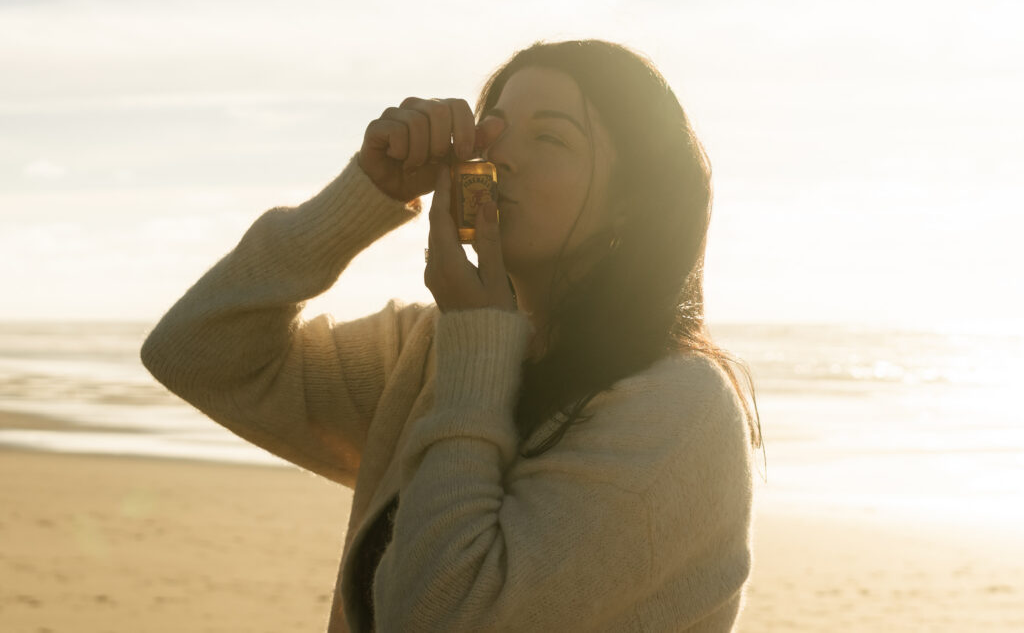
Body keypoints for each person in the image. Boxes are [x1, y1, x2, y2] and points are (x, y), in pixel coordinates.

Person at [141, 38, 764, 632]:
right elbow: (199, 352)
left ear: (631, 202)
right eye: (493, 129)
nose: (502, 157)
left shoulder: (681, 409)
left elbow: (438, 616)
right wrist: (364, 194)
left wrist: (476, 339)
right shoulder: (428, 349)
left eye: (550, 137)